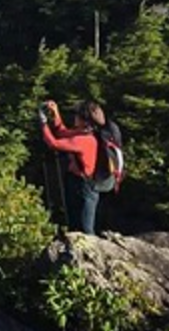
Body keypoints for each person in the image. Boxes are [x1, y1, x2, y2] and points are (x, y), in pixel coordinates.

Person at [39, 99, 115, 235]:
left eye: (77, 116)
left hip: (85, 186)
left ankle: (88, 253)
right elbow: (62, 132)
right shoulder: (87, 134)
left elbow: (53, 143)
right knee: (76, 224)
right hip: (79, 182)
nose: (75, 118)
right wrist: (55, 113)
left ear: (84, 121)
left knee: (85, 228)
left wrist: (43, 123)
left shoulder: (84, 140)